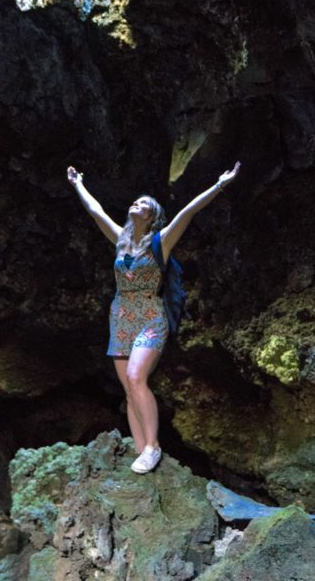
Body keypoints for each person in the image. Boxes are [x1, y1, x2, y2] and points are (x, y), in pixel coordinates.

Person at [67, 161, 241, 474]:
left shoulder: (160, 242)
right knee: (129, 390)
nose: (137, 204)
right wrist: (78, 184)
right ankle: (140, 451)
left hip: (150, 317)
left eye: (144, 204)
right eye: (135, 201)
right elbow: (96, 212)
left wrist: (220, 184)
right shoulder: (121, 240)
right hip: (120, 318)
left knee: (137, 377)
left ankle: (153, 446)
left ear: (151, 217)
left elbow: (187, 212)